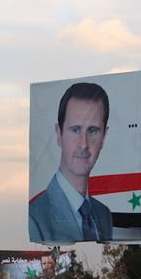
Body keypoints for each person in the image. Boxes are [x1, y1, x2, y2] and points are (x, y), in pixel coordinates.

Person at [29, 82, 113, 243]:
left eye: (93, 130)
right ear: (59, 134)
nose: (83, 144)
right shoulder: (35, 218)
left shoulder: (104, 215)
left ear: (104, 137)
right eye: (75, 130)